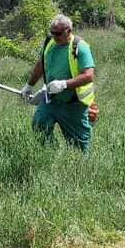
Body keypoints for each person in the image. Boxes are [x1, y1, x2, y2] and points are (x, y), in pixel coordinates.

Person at [20, 15, 96, 152]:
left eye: (58, 33)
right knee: (39, 125)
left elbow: (88, 76)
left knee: (78, 145)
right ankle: (50, 154)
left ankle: (79, 167)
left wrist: (64, 84)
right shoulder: (50, 42)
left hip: (73, 105)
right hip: (51, 100)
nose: (55, 36)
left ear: (69, 31)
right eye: (52, 32)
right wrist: (29, 85)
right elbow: (41, 64)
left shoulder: (80, 47)